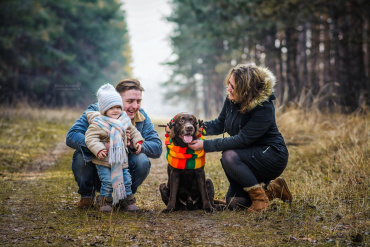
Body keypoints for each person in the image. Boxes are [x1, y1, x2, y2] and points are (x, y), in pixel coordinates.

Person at [188, 63, 292, 213]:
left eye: (232, 86)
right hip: (246, 154)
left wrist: (205, 145)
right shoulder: (232, 99)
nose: (228, 88)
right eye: (228, 84)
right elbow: (219, 124)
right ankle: (274, 189)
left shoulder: (264, 108)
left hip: (271, 155)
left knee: (229, 155)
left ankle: (260, 201)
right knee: (235, 203)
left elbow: (242, 140)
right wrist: (194, 128)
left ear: (245, 90)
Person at [66, 79, 162, 210]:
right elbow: (72, 136)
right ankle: (87, 196)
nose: (135, 106)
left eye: (138, 101)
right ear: (116, 98)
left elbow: (157, 147)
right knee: (80, 154)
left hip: (123, 168)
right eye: (130, 101)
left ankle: (125, 198)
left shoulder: (141, 116)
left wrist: (133, 145)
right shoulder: (96, 111)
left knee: (142, 160)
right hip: (100, 166)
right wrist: (100, 146)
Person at [85, 83, 144, 212]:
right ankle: (105, 202)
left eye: (118, 107)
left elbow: (133, 132)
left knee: (126, 180)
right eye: (111, 108)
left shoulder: (124, 121)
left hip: (121, 159)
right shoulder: (98, 123)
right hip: (104, 160)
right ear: (104, 109)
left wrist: (137, 141)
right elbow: (90, 138)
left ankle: (126, 201)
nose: (116, 110)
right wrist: (99, 148)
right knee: (107, 181)